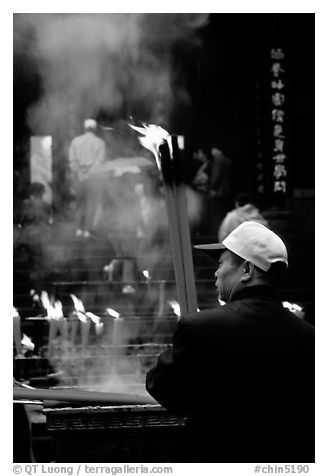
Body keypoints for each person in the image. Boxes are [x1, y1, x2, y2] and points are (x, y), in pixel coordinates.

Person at [146, 221, 314, 462]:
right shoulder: (311, 338)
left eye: (221, 263)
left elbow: (162, 387)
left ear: (247, 270)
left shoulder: (201, 327)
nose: (216, 272)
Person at [68, 118, 106, 237]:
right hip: (93, 177)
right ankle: (87, 230)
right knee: (92, 203)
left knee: (80, 203)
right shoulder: (100, 142)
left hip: (79, 177)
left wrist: (80, 172)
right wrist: (89, 172)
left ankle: (78, 229)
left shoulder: (75, 141)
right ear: (94, 129)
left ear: (84, 128)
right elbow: (100, 161)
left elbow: (72, 161)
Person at [207, 144, 233, 235]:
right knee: (223, 213)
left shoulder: (218, 160)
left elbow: (216, 176)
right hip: (226, 190)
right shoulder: (227, 160)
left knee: (216, 214)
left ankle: (217, 233)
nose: (212, 152)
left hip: (218, 191)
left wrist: (213, 188)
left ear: (217, 150)